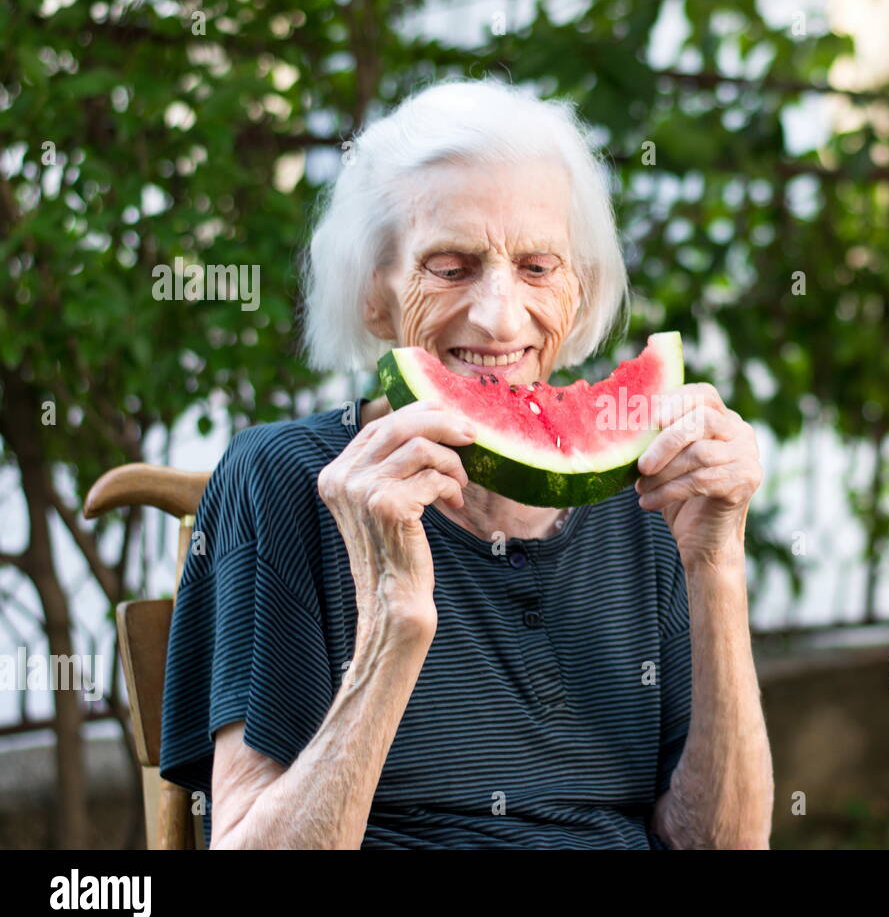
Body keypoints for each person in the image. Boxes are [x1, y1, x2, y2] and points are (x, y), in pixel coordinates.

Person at [159, 76, 772, 849]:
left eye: (538, 267)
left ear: (579, 295)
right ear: (374, 294)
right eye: (450, 266)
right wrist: (393, 626)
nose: (498, 316)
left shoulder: (649, 496)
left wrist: (716, 563)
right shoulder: (283, 480)